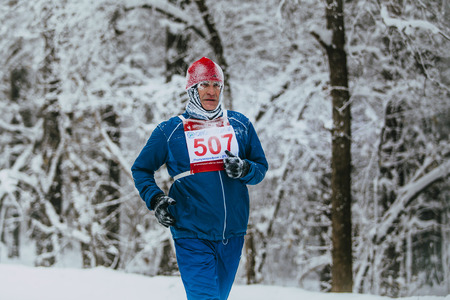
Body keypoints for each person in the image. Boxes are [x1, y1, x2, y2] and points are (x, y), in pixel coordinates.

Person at [131, 57, 268, 300]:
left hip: (232, 234)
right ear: (192, 90)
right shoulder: (170, 130)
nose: (211, 91)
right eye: (204, 85)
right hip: (191, 232)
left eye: (216, 86)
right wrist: (156, 199)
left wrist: (245, 168)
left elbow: (260, 168)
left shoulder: (239, 125)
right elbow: (141, 169)